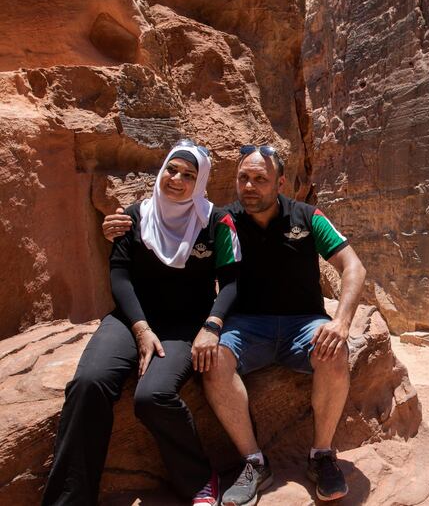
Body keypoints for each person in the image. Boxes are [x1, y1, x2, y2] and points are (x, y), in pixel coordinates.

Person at [102, 144, 366, 504]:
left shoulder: (307, 217)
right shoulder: (223, 221)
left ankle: (321, 455)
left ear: (281, 182)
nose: (250, 186)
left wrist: (342, 322)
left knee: (334, 352)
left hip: (303, 323)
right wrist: (122, 224)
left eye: (261, 179)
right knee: (213, 360)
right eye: (244, 177)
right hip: (246, 325)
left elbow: (353, 266)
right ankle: (255, 462)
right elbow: (167, 223)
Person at [44, 139, 241, 506]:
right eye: (171, 169)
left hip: (186, 325)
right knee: (89, 383)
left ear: (200, 183)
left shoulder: (216, 222)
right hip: (131, 319)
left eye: (188, 175)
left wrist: (212, 326)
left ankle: (200, 479)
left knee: (152, 397)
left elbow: (231, 281)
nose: (177, 179)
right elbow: (119, 276)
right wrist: (140, 328)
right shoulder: (133, 216)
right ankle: (69, 500)